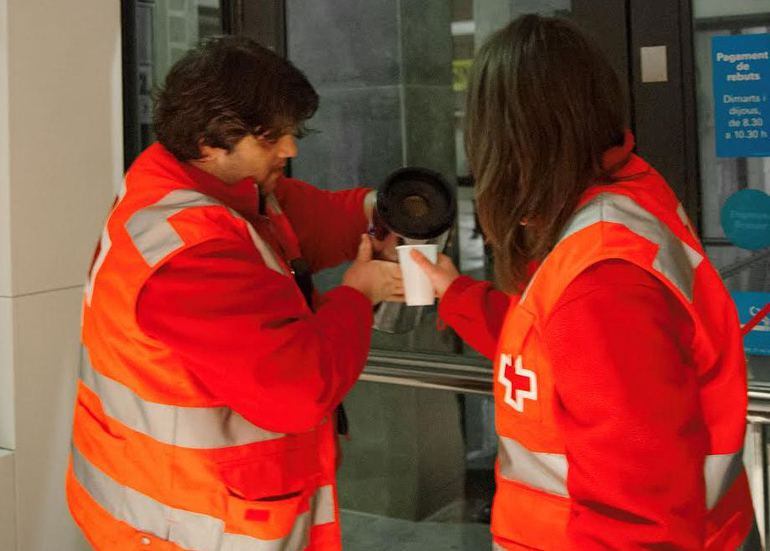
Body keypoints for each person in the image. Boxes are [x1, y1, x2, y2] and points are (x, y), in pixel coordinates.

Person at [412, 14, 760, 550]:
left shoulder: (602, 280)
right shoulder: (627, 197)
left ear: (509, 141)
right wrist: (454, 293)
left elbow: (640, 525)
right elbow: (555, 354)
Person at [66, 36, 402, 550]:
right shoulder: (188, 259)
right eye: (271, 140)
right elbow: (299, 388)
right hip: (190, 528)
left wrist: (388, 210)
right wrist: (358, 294)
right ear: (209, 142)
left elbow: (312, 219)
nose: (290, 150)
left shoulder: (207, 185)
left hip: (188, 507)